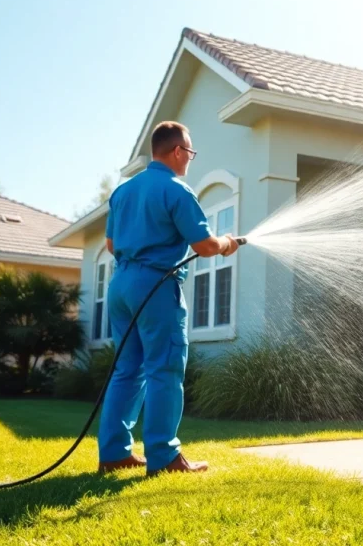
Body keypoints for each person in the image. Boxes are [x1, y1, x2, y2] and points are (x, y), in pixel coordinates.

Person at [97, 121, 239, 476]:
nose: (190, 159)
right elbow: (204, 245)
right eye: (190, 152)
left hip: (120, 285)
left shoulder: (123, 191)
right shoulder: (177, 190)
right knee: (164, 367)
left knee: (126, 369)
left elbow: (111, 245)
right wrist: (227, 243)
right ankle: (164, 458)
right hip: (155, 285)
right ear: (177, 151)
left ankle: (113, 454)